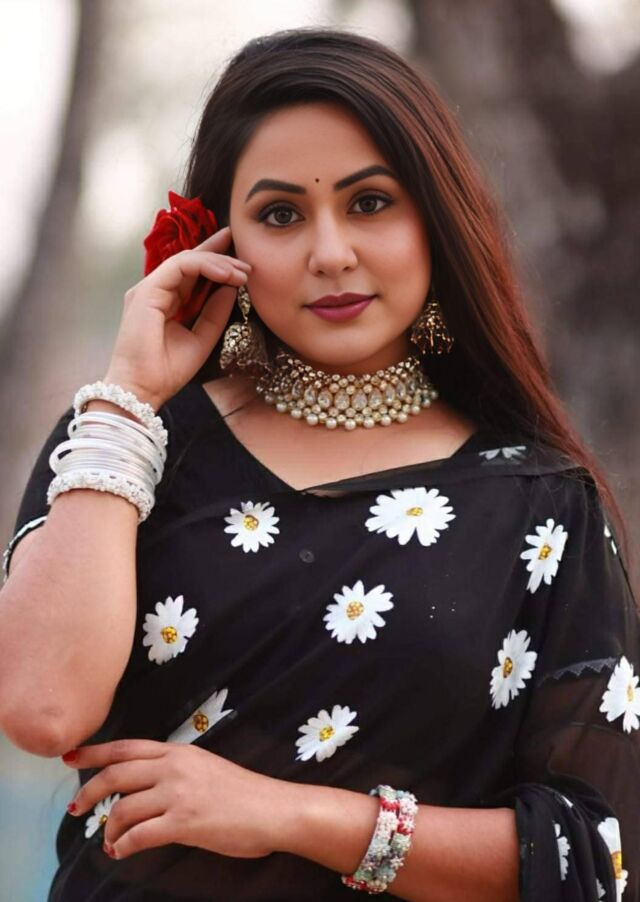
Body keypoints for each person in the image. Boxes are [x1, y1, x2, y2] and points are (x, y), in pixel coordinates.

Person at [0, 27, 638, 902]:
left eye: (370, 203)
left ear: (436, 221)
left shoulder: (539, 502)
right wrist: (129, 395)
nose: (330, 252)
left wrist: (289, 815)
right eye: (280, 215)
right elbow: (42, 711)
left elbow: (595, 855)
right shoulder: (129, 442)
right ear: (220, 243)